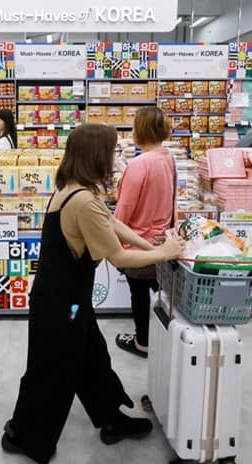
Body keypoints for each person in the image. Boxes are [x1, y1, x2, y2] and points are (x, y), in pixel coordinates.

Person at [1, 124, 185, 464]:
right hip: (62, 304)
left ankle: (111, 418)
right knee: (53, 367)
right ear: (96, 155)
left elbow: (113, 224)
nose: (117, 157)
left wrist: (154, 246)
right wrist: (163, 254)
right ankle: (24, 437)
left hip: (68, 297)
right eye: (113, 151)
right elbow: (119, 257)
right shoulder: (83, 200)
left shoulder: (75, 188)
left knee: (91, 356)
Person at [114, 107, 176, 358]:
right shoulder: (168, 157)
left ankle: (143, 343)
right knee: (161, 295)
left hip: (138, 243)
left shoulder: (139, 164)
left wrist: (114, 241)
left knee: (138, 295)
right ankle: (167, 340)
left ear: (140, 130)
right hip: (163, 241)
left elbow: (124, 210)